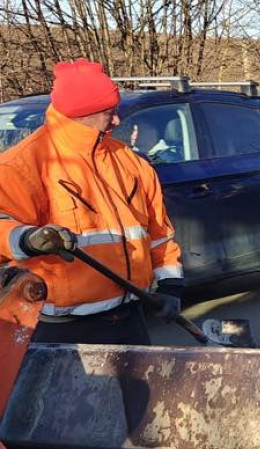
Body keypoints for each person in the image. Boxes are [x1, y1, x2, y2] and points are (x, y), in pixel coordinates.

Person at [0, 59, 183, 345]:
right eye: (109, 113)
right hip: (63, 331)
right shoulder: (23, 167)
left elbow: (159, 233)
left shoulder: (130, 163)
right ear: (82, 115)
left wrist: (171, 286)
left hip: (129, 319)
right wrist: (26, 239)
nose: (117, 121)